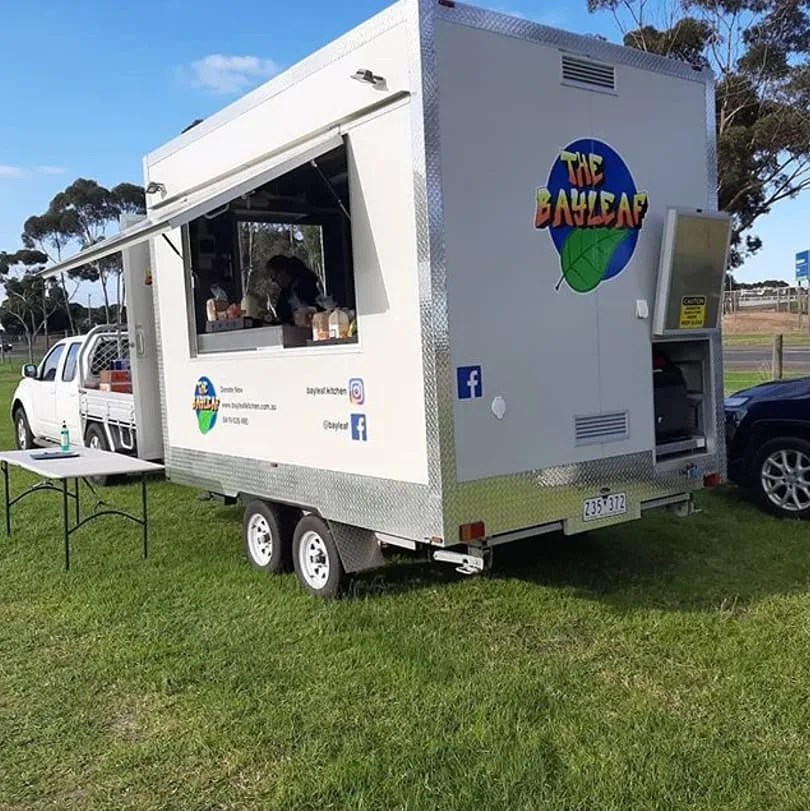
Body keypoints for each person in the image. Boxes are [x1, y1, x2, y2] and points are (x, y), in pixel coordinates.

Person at [266, 255, 323, 325]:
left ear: (283, 271)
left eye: (274, 276)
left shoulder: (306, 285)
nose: (273, 280)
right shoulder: (285, 294)